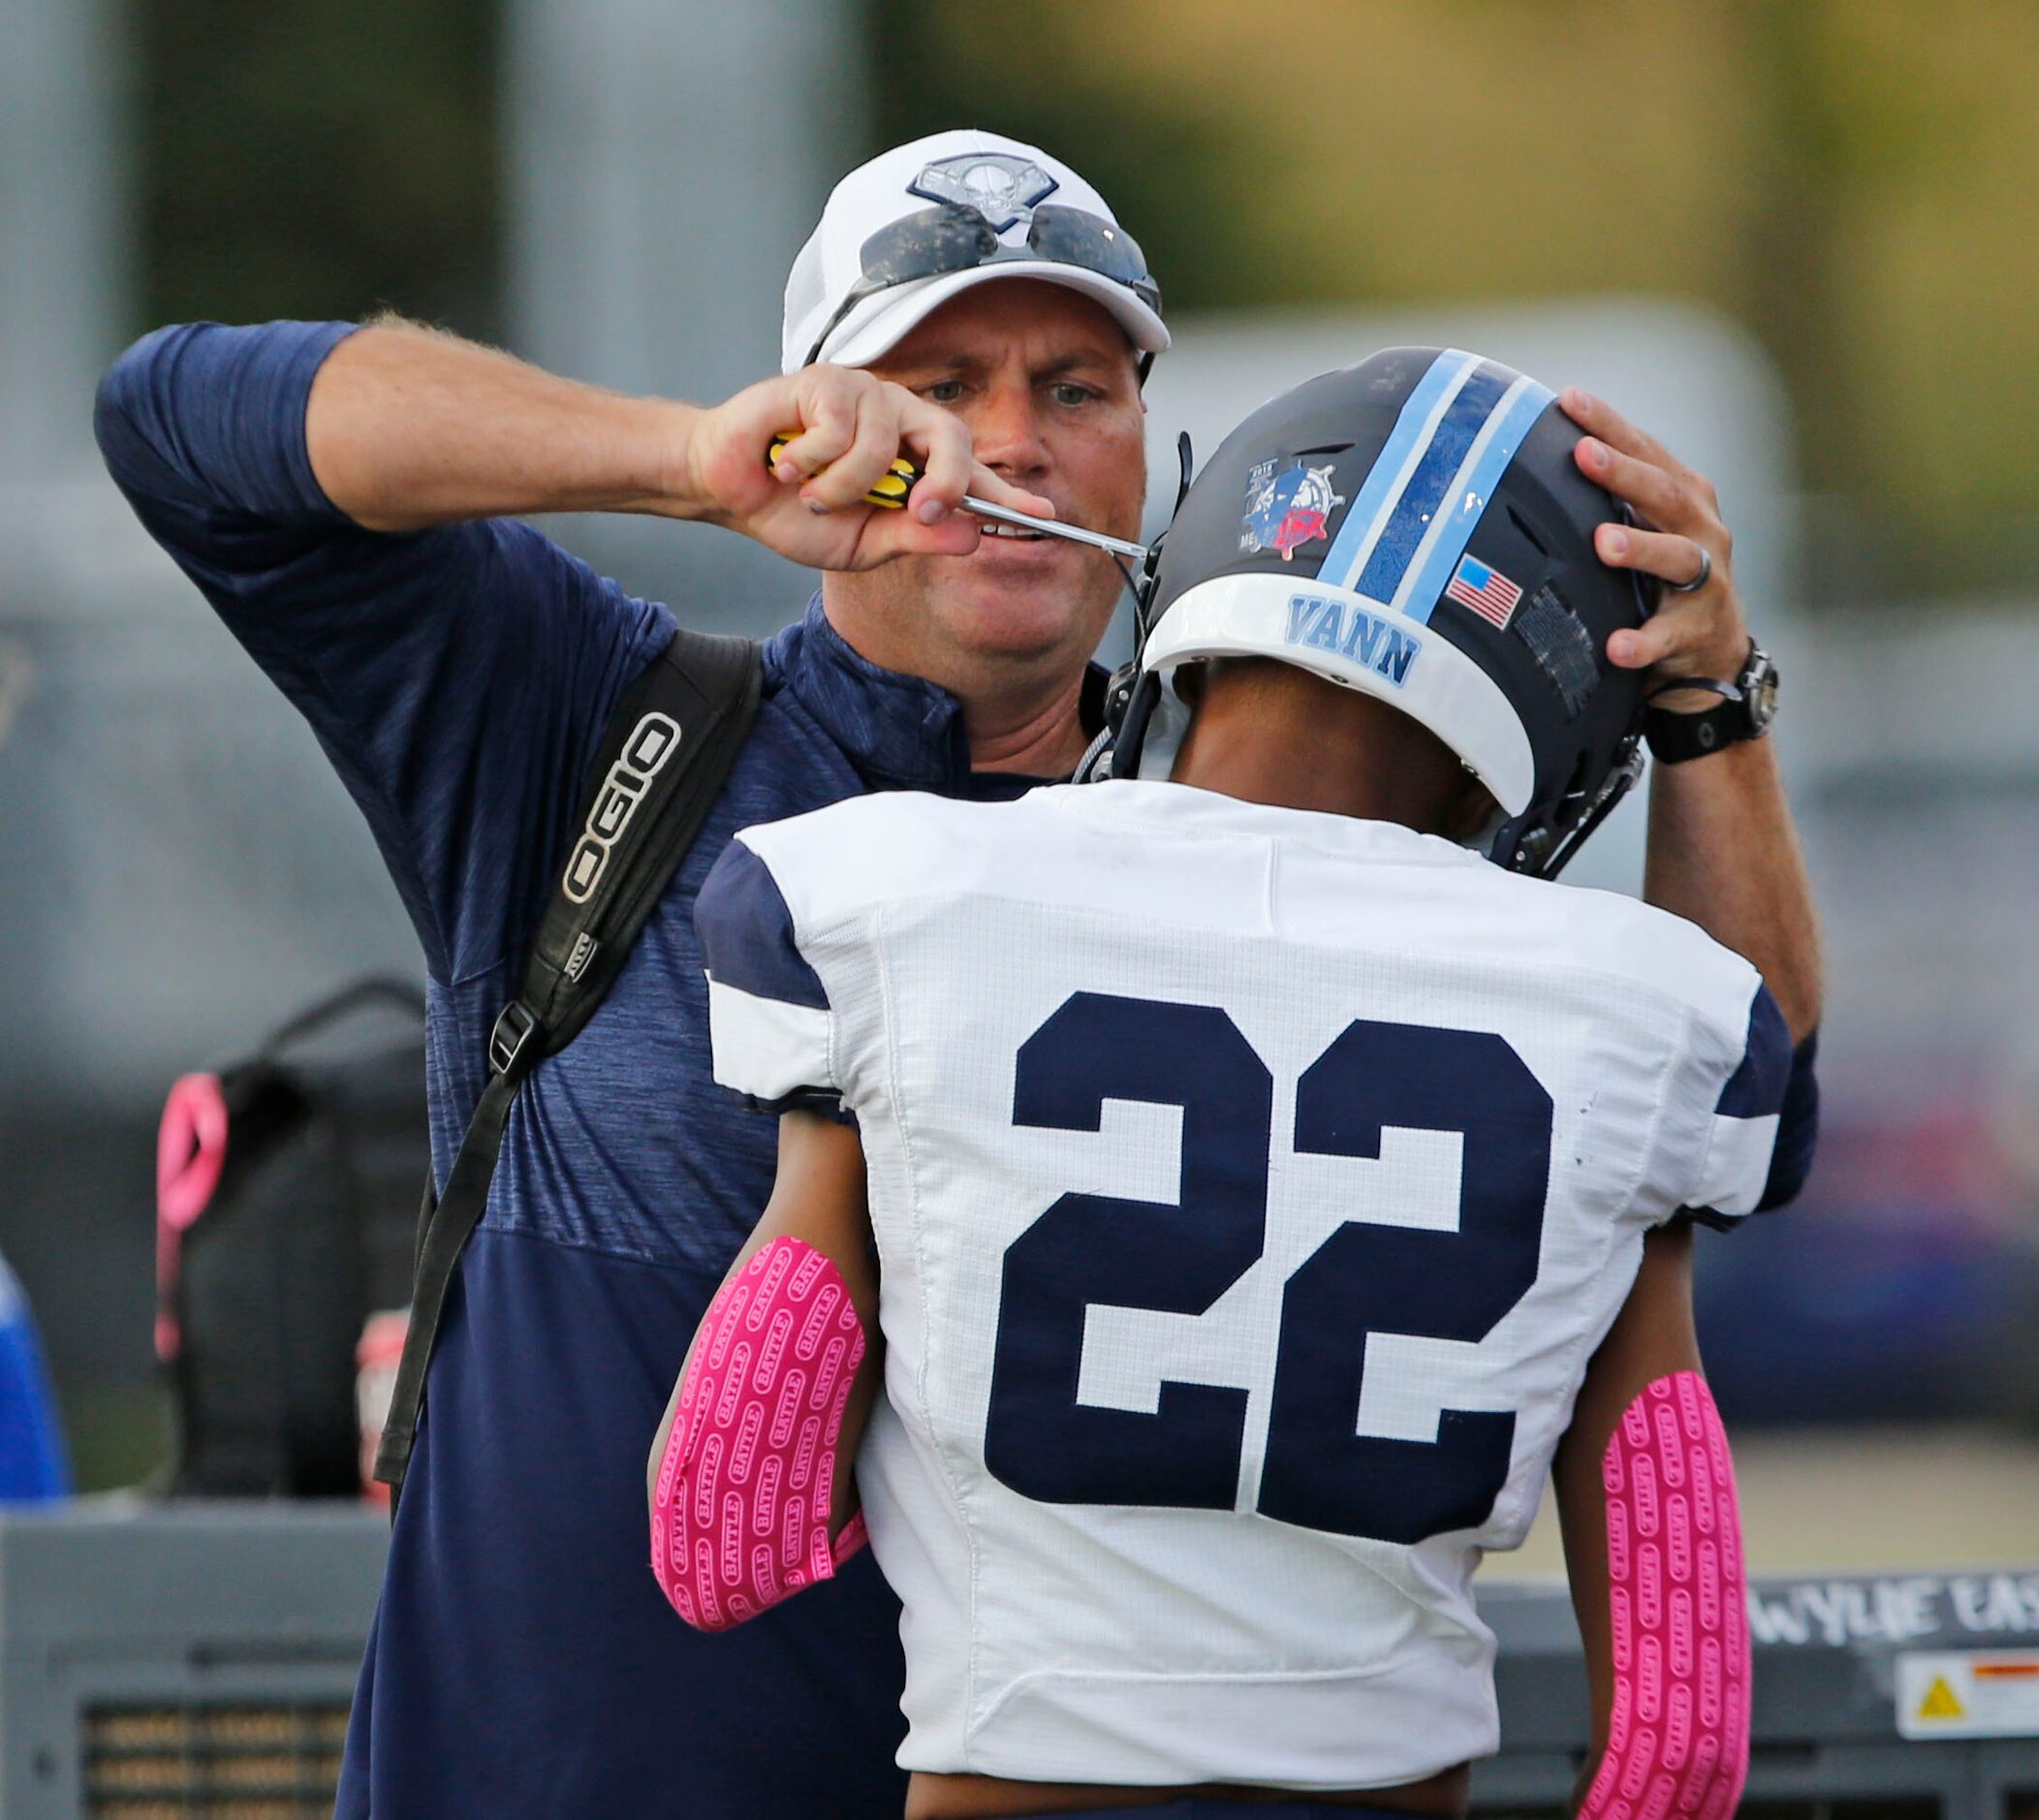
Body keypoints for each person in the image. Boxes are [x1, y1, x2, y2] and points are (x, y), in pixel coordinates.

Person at [94, 119, 1813, 1816]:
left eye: (1079, 387)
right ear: (821, 408)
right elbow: (178, 424)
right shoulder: (598, 722)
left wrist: (1712, 710)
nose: (1011, 444)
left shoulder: (1305, 863)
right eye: (937, 381)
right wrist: (684, 455)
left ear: (1167, 461)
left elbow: (1734, 1127)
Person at [662, 349, 1820, 1818]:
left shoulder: (890, 889)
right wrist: (1713, 702)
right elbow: (1684, 1725)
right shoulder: (1636, 1011)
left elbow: (723, 1533)